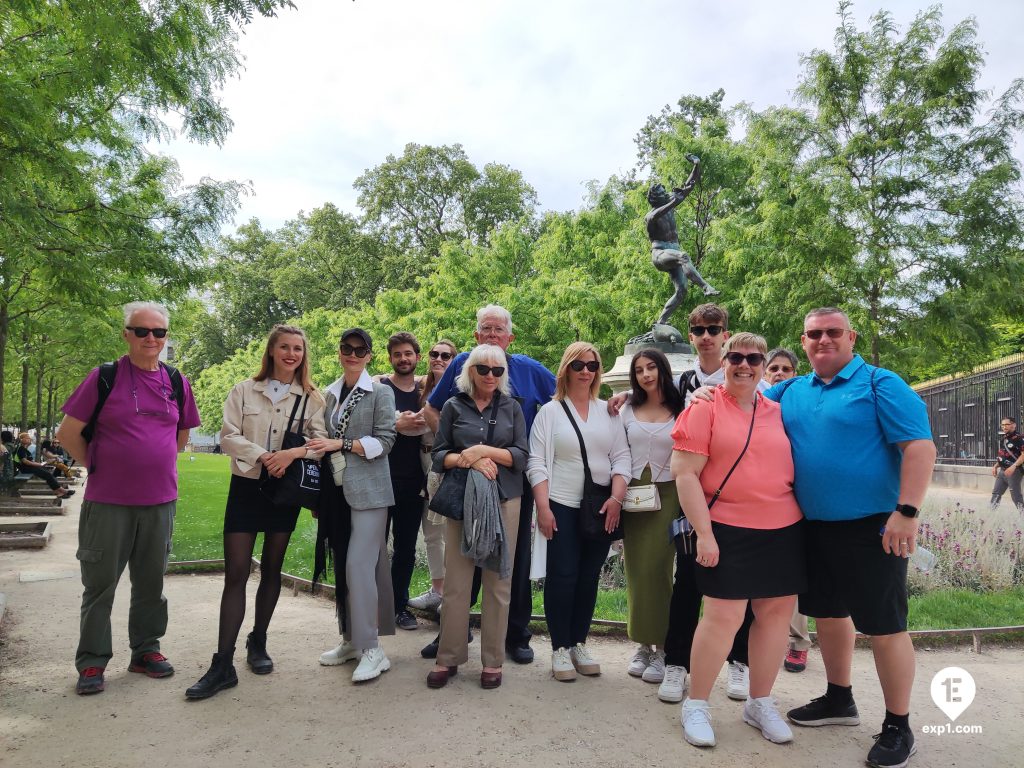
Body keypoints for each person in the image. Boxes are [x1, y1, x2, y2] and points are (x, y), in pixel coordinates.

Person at [773, 308, 935, 768]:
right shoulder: (791, 390)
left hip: (875, 527)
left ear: (851, 336)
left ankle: (898, 725)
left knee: (885, 626)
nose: (823, 340)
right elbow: (736, 397)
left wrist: (906, 511)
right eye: (813, 334)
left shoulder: (881, 384)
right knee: (827, 613)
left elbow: (919, 448)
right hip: (812, 526)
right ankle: (839, 698)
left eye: (832, 332)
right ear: (803, 342)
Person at [611, 303, 761, 704]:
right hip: (687, 492)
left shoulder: (746, 378)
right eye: (698, 329)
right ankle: (675, 660)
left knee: (735, 581)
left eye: (714, 329)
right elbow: (653, 392)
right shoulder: (684, 381)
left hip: (732, 497)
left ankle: (739, 663)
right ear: (691, 335)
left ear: (725, 333)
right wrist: (626, 392)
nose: (706, 336)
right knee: (686, 581)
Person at [57, 301, 201, 695]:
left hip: (159, 501)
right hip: (108, 502)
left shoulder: (176, 381)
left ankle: (146, 651)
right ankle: (92, 661)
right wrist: (98, 464)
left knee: (151, 583)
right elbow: (68, 433)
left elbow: (182, 433)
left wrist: (154, 463)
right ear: (126, 334)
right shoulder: (104, 377)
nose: (151, 338)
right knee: (100, 584)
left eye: (159, 332)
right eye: (142, 331)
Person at [672, 333, 806, 748]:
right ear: (724, 360)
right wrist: (706, 534)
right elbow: (685, 475)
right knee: (723, 619)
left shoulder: (779, 409)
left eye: (754, 358)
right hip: (725, 526)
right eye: (736, 357)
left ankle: (759, 702)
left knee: (775, 617)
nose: (744, 364)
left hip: (783, 528)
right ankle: (696, 703)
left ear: (765, 364)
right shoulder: (705, 406)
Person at [186, 324, 327, 700]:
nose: (291, 354)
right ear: (271, 351)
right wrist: (264, 455)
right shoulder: (244, 390)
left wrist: (290, 454)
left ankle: (258, 641)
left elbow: (318, 444)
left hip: (284, 490)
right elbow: (228, 436)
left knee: (272, 569)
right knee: (235, 572)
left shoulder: (312, 397)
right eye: (285, 347)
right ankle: (222, 662)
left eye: (298, 348)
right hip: (247, 487)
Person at [424, 305, 556, 664]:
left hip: (511, 482)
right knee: (462, 560)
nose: (493, 335)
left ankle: (515, 635)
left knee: (512, 560)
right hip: (464, 480)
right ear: (476, 334)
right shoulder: (462, 364)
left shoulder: (528, 371)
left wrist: (612, 405)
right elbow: (433, 409)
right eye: (486, 329)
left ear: (510, 338)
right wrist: (461, 454)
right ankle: (452, 635)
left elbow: (567, 396)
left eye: (500, 330)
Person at [426, 344, 528, 689]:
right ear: (470, 371)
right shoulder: (454, 406)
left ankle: (493, 661)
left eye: (497, 371)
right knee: (457, 581)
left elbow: (521, 455)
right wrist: (468, 459)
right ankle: (448, 657)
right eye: (483, 369)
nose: (489, 376)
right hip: (464, 500)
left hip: (503, 500)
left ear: (503, 375)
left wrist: (484, 451)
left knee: (498, 582)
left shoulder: (512, 407)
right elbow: (439, 455)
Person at [529, 342, 630, 681]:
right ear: (566, 369)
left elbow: (621, 457)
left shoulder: (609, 412)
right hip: (560, 504)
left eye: (592, 365)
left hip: (602, 506)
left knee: (588, 578)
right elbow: (537, 462)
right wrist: (542, 506)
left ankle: (578, 642)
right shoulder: (550, 412)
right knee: (563, 576)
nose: (586, 371)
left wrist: (616, 499)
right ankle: (559, 647)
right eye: (579, 365)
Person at [310, 328, 398, 683]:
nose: (352, 354)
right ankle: (351, 639)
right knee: (345, 564)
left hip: (371, 492)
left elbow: (386, 440)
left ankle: (373, 649)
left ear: (369, 355)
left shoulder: (380, 392)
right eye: (347, 348)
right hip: (335, 490)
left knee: (359, 567)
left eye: (360, 350)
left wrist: (342, 444)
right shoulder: (328, 394)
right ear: (339, 351)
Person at [619, 349, 684, 683]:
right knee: (636, 570)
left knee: (659, 568)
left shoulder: (681, 405)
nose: (646, 374)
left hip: (670, 492)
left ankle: (663, 648)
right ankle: (643, 645)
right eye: (639, 369)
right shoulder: (625, 408)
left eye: (652, 367)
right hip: (633, 493)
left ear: (663, 369)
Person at [764, 347, 812, 674]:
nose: (779, 373)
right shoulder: (756, 403)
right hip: (762, 497)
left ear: (794, 373)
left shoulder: (803, 403)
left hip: (798, 497)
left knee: (793, 574)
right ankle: (766, 640)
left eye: (785, 368)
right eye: (773, 368)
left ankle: (798, 642)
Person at [380, 332, 428, 631]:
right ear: (390, 359)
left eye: (408, 353)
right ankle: (376, 604)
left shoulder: (426, 391)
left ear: (416, 357)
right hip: (381, 478)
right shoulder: (379, 387)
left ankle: (399, 605)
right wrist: (395, 422)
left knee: (406, 548)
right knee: (374, 546)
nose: (403, 359)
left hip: (413, 482)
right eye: (397, 354)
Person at [408, 340, 458, 616]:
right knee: (431, 532)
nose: (438, 359)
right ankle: (436, 590)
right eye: (434, 354)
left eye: (446, 355)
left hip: (448, 464)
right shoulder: (421, 387)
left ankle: (452, 592)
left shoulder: (459, 389)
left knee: (451, 531)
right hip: (422, 463)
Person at [645, 154, 719, 328]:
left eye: (666, 193)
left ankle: (661, 322)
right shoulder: (651, 217)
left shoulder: (670, 200)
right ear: (657, 199)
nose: (667, 195)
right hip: (660, 254)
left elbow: (688, 186)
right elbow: (660, 212)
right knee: (683, 256)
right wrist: (675, 201)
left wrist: (696, 164)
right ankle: (706, 286)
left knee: (682, 291)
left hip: (674, 252)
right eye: (663, 194)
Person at [12, 432, 75, 497]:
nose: (29, 439)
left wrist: (40, 464)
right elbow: (25, 461)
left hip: (30, 467)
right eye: (27, 438)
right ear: (22, 439)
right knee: (48, 475)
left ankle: (60, 491)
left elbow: (29, 461)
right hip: (27, 469)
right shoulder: (21, 449)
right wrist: (39, 464)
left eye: (29, 438)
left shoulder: (23, 448)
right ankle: (62, 491)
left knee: (48, 474)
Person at [990, 417, 1024, 512]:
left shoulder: (1019, 438)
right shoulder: (1004, 438)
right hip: (1002, 471)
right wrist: (996, 466)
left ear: (1013, 425)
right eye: (1003, 425)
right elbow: (1004, 455)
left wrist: (1013, 467)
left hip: (1014, 472)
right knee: (996, 494)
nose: (1004, 427)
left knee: (1016, 497)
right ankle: (989, 517)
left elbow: (1023, 455)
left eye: (1007, 425)